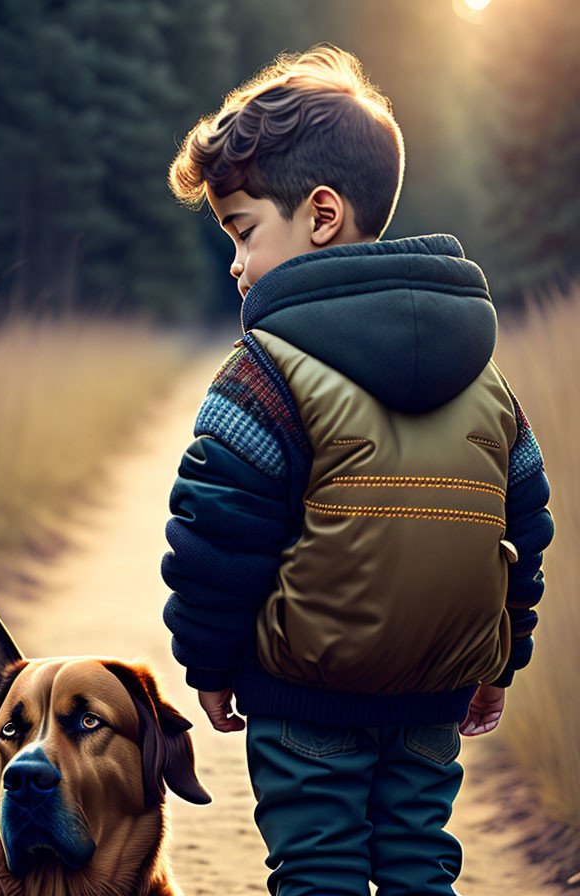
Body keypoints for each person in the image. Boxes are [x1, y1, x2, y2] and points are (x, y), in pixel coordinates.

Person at [160, 43, 554, 896]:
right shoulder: (486, 380)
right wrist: (502, 655)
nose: (235, 264)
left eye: (243, 231)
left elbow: (215, 537)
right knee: (419, 862)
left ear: (323, 214)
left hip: (304, 699)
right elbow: (523, 527)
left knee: (318, 870)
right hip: (432, 700)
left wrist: (211, 665)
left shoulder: (264, 371)